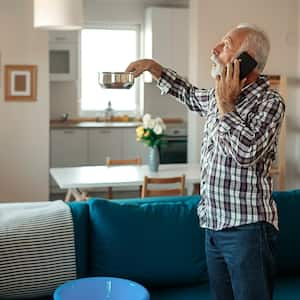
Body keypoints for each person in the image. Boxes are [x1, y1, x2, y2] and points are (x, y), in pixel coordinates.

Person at [126, 23, 285, 300]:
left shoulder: (270, 102)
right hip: (213, 225)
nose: (214, 49)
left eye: (225, 45)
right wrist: (155, 68)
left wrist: (226, 106)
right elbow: (188, 93)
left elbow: (246, 153)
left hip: (247, 229)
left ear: (245, 61)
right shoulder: (215, 96)